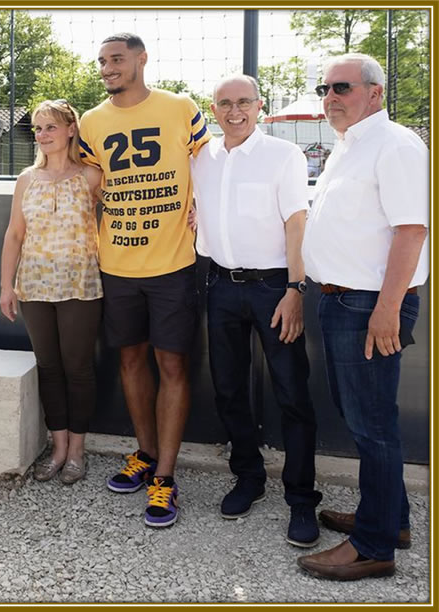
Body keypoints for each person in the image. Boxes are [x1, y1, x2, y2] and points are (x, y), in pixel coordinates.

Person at [298, 53, 429, 580]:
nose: (330, 97)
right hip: (342, 300)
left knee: (372, 427)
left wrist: (387, 310)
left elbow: (412, 230)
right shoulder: (350, 145)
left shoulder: (394, 144)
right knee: (367, 421)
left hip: (367, 306)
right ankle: (390, 518)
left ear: (375, 92)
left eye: (342, 87)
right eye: (325, 88)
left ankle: (374, 546)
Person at [79, 33, 211, 528]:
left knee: (172, 364)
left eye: (116, 59)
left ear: (141, 59)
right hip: (116, 265)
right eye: (102, 62)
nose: (107, 68)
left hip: (172, 264)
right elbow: (88, 181)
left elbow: (210, 164)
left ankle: (166, 479)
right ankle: (146, 455)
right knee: (130, 359)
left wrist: (206, 206)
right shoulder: (92, 122)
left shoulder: (179, 108)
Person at [191, 75, 322, 547]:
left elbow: (296, 222)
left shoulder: (282, 156)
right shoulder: (201, 157)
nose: (234, 111)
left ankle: (302, 498)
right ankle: (248, 477)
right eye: (224, 103)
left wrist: (295, 289)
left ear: (260, 106)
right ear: (214, 108)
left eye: (243, 102)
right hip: (221, 286)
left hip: (273, 288)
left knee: (292, 393)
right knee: (228, 388)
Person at [0, 99, 103, 484]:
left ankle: (77, 451)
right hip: (34, 285)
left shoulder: (92, 177)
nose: (42, 135)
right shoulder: (26, 179)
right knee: (49, 367)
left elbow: (125, 210)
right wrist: (5, 286)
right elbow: (14, 234)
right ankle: (57, 448)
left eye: (51, 127)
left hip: (80, 285)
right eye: (38, 129)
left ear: (71, 129)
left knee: (78, 369)